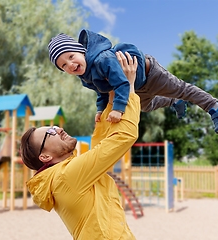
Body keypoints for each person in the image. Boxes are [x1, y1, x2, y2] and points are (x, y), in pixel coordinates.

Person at [20, 51, 139, 240]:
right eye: (50, 132)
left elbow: (102, 149)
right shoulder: (67, 176)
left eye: (53, 126)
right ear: (45, 157)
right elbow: (124, 137)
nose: (58, 128)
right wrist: (129, 88)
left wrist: (110, 103)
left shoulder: (65, 175)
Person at [48, 29, 218, 134]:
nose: (70, 64)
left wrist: (118, 110)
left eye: (71, 56)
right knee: (145, 107)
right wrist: (100, 109)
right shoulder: (85, 76)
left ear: (81, 51)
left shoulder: (102, 59)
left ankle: (215, 106)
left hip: (151, 74)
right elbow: (102, 91)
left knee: (182, 89)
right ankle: (174, 102)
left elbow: (121, 84)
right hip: (136, 87)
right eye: (63, 65)